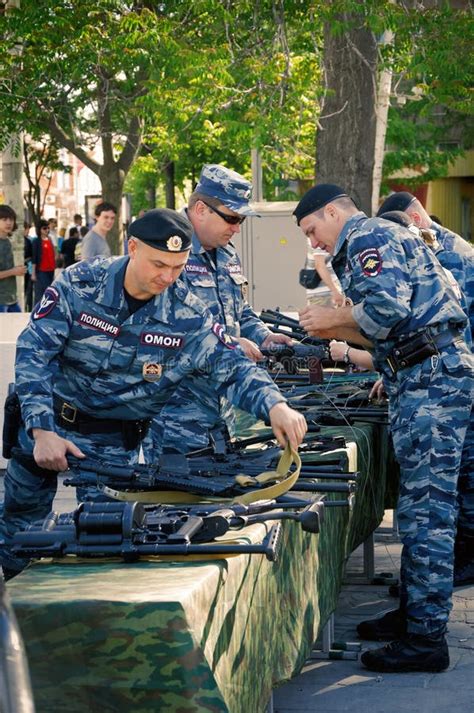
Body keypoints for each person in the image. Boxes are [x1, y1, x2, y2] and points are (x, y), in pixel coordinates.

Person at [0, 208, 307, 578]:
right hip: (47, 422)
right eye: (159, 264)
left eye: (178, 267)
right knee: (17, 530)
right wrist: (41, 429)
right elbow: (34, 352)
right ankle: (16, 616)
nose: (168, 276)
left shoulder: (188, 313)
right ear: (132, 247)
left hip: (111, 447)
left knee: (104, 546)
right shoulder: (82, 283)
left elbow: (232, 367)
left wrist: (275, 405)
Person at [294, 183, 474, 674]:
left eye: (315, 231)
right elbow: (387, 325)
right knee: (419, 510)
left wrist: (331, 320)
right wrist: (333, 324)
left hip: (431, 381)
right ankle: (415, 617)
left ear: (333, 213)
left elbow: (383, 314)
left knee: (427, 514)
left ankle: (426, 640)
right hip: (423, 375)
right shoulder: (373, 240)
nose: (318, 245)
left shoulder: (369, 241)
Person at [152, 164, 293, 454]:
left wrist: (264, 336)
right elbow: (160, 329)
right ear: (201, 209)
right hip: (176, 414)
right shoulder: (166, 249)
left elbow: (238, 311)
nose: (237, 227)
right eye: (231, 218)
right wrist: (229, 343)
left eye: (241, 219)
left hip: (222, 409)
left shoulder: (227, 254)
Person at [377, 192, 474, 588]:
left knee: (458, 482)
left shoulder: (449, 254)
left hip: (455, 377)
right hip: (456, 373)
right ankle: (433, 575)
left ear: (416, 216)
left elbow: (443, 328)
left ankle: (458, 564)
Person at [0, 205, 26, 313]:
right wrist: (13, 271)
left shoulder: (7, 242)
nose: (9, 223)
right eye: (4, 219)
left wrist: (16, 270)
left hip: (12, 300)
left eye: (11, 219)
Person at [31, 219, 56, 304]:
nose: (47, 230)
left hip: (51, 270)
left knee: (49, 293)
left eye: (48, 228)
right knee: (41, 294)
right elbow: (34, 258)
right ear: (39, 229)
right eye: (44, 228)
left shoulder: (50, 239)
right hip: (41, 271)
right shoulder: (36, 241)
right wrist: (33, 273)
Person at [23, 222, 34, 312]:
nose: (28, 231)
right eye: (27, 229)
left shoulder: (28, 241)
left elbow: (31, 256)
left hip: (26, 269)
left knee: (28, 291)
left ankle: (27, 308)